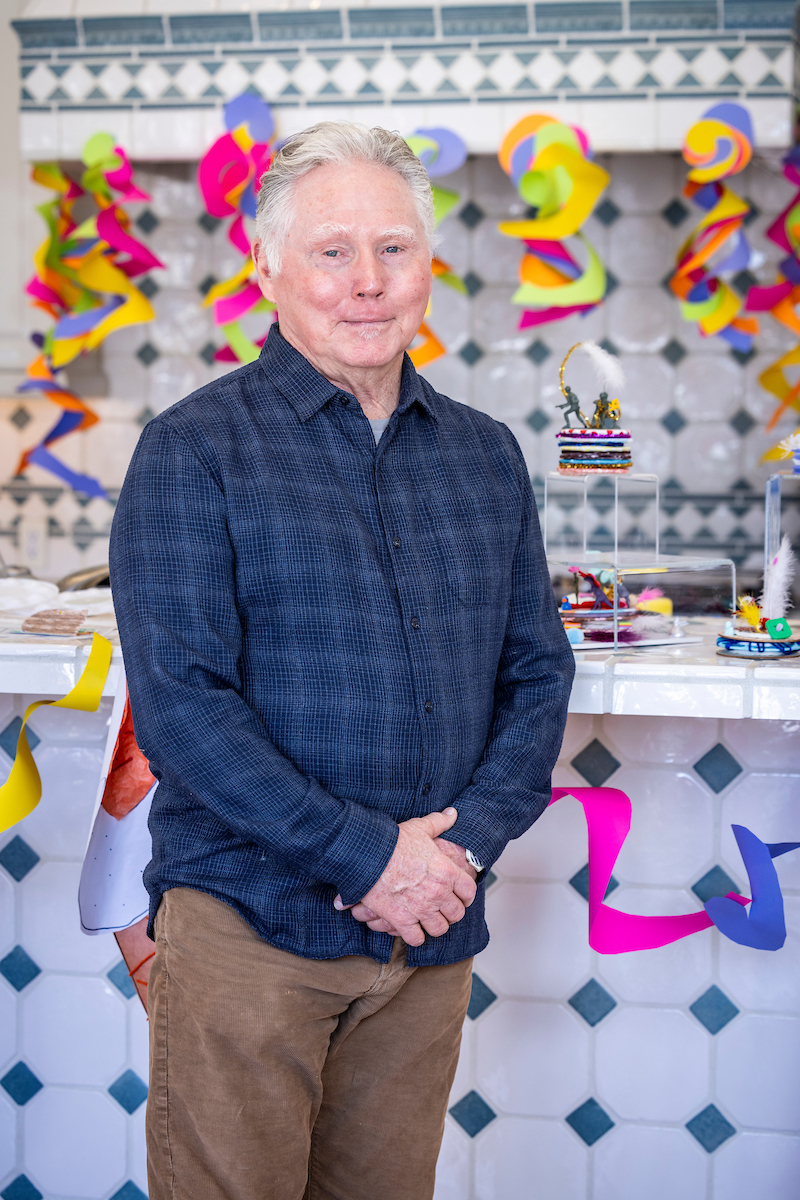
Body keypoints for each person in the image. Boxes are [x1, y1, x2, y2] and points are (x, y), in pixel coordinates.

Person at [110, 121, 575, 1200]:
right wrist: (371, 859)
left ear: (427, 265)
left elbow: (536, 672)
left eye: (393, 250)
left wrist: (450, 859)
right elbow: (184, 710)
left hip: (428, 940)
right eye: (331, 253)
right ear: (267, 268)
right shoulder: (193, 449)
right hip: (250, 931)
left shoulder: (484, 453)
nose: (367, 283)